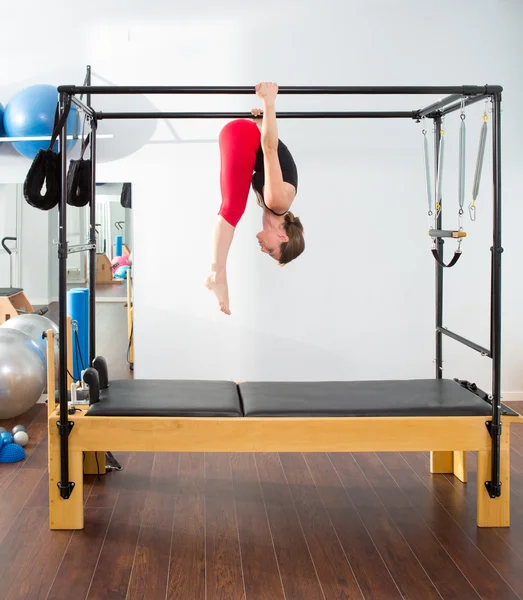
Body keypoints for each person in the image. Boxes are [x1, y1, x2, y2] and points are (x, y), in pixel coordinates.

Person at [205, 81, 305, 315]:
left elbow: (275, 153)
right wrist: (269, 103)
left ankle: (216, 273)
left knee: (231, 209)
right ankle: (216, 274)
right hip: (242, 135)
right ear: (282, 235)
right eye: (272, 250)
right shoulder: (278, 202)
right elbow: (270, 150)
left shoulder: (271, 205)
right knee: (231, 210)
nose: (263, 250)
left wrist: (261, 123)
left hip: (245, 136)